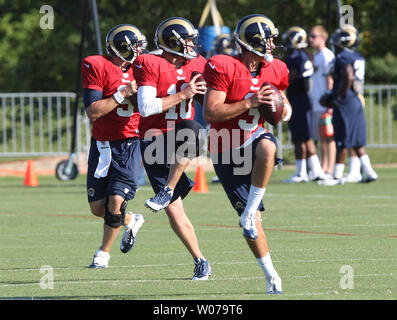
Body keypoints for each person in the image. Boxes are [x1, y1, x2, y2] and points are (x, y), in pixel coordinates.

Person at [203, 14, 292, 294]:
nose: (272, 43)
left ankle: (251, 210)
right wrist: (249, 102)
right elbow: (210, 112)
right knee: (251, 227)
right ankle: (271, 276)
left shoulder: (275, 69)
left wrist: (281, 109)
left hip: (254, 138)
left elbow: (286, 110)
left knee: (268, 145)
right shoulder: (224, 65)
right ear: (252, 41)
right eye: (267, 38)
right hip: (225, 145)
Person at [133, 17, 211, 280]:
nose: (192, 44)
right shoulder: (149, 63)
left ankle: (166, 189)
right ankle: (200, 260)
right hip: (155, 138)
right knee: (174, 210)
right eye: (187, 40)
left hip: (181, 132)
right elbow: (145, 107)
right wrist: (184, 94)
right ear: (172, 43)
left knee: (193, 128)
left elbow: (208, 98)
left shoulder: (197, 64)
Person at [82, 24, 147, 268]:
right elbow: (93, 111)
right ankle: (132, 220)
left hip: (130, 143)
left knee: (115, 202)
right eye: (135, 47)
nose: (140, 51)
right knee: (98, 208)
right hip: (102, 145)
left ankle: (102, 255)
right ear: (122, 48)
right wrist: (122, 94)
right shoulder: (96, 65)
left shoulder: (144, 69)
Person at [318, 25, 378, 186]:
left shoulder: (343, 57)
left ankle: (337, 176)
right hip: (356, 99)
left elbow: (348, 75)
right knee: (357, 140)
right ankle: (370, 171)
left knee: (342, 139)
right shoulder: (357, 55)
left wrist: (336, 96)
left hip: (346, 101)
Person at [282, 26, 327, 183]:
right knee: (300, 137)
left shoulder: (301, 57)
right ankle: (306, 171)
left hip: (300, 99)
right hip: (297, 99)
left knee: (305, 137)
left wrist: (291, 78)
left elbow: (300, 80)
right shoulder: (297, 56)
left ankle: (312, 171)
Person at [308, 25, 336, 178]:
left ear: (323, 37)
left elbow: (330, 81)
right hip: (315, 103)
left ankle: (329, 169)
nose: (310, 39)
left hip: (324, 104)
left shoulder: (327, 55)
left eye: (314, 36)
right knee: (321, 138)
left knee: (328, 136)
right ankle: (323, 168)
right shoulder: (315, 56)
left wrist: (329, 104)